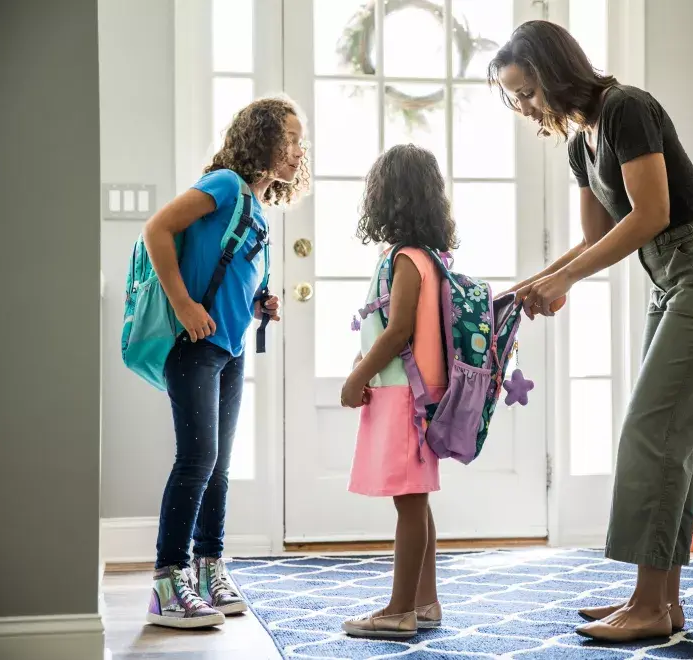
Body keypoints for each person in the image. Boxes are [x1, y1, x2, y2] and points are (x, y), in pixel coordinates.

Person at [488, 21, 693, 642]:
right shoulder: (580, 143)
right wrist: (528, 286)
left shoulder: (626, 108)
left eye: (527, 91)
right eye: (515, 97)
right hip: (674, 281)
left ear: (555, 72)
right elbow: (592, 240)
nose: (526, 107)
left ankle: (646, 604)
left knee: (650, 431)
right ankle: (662, 602)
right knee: (675, 439)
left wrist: (563, 282)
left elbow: (653, 214)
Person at [141, 96, 309, 629]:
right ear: (262, 139)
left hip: (228, 348)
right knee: (196, 460)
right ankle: (168, 583)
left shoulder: (257, 206)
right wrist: (185, 305)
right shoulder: (225, 185)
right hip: (195, 344)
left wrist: (259, 302)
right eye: (290, 138)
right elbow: (157, 230)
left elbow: (231, 270)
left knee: (217, 465)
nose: (298, 151)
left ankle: (211, 567)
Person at [338, 144, 457, 639]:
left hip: (402, 397)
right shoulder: (427, 257)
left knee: (409, 504)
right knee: (416, 501)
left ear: (387, 199)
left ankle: (399, 610)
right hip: (411, 395)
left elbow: (397, 330)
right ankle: (425, 602)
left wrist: (357, 376)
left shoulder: (407, 259)